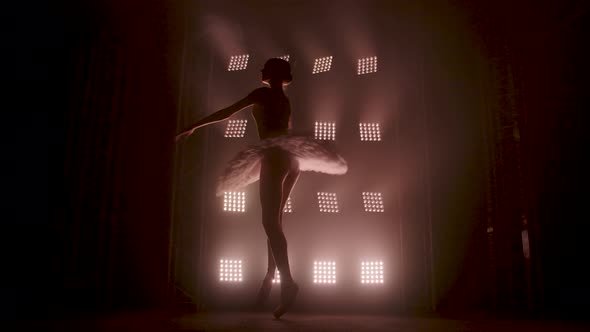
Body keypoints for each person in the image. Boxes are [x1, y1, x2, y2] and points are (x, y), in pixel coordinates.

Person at [176, 58, 347, 318]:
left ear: (270, 73)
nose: (260, 71)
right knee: (274, 223)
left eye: (264, 68)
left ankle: (286, 282)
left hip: (275, 158)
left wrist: (193, 125)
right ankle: (271, 276)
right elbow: (285, 137)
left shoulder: (262, 94)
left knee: (270, 223)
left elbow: (227, 112)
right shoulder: (284, 99)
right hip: (291, 161)